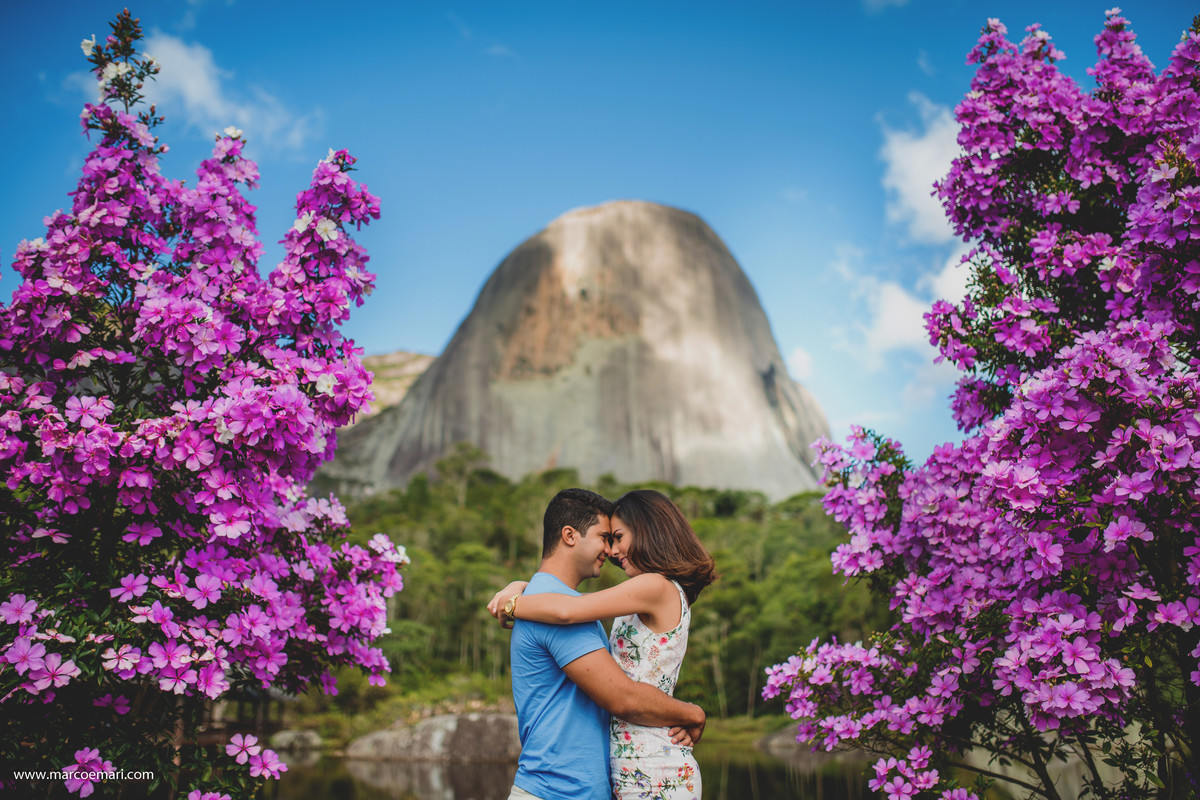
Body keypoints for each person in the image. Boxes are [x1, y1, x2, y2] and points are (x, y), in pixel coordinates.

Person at [490, 489, 717, 800]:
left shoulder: (655, 586)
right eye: (606, 537)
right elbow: (571, 606)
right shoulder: (639, 593)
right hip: (616, 773)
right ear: (569, 535)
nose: (611, 550)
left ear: (647, 530)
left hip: (653, 767)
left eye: (618, 537)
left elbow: (569, 609)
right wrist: (521, 589)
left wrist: (514, 603)